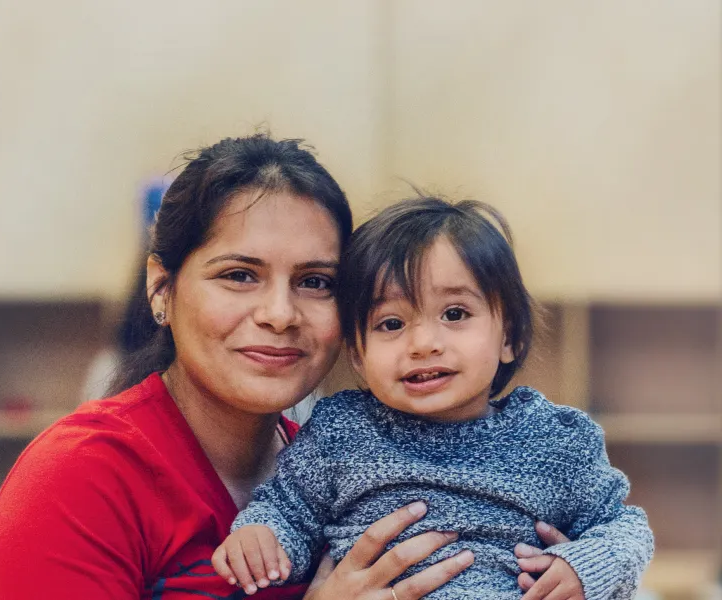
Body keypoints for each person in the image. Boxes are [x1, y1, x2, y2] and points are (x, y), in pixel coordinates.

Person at [0, 134, 486, 599]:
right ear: (161, 288)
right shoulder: (82, 475)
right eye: (240, 275)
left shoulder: (333, 468)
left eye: (315, 282)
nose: (280, 314)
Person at [216, 197, 654, 598]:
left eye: (455, 314)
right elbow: (290, 510)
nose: (423, 343)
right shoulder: (341, 431)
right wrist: (261, 535)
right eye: (390, 323)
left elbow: (623, 528)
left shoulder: (555, 440)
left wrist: (586, 568)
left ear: (511, 338)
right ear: (356, 352)